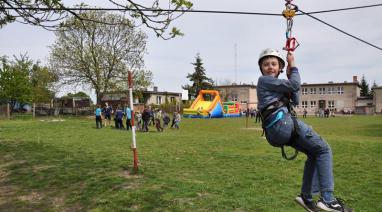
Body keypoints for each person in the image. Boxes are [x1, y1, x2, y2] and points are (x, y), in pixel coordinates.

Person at [256, 48, 352, 212]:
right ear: (262, 69)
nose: (270, 67)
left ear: (279, 67)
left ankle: (306, 197)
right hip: (282, 125)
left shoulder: (278, 86)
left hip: (277, 132)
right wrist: (293, 67)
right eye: (266, 64)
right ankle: (328, 199)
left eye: (274, 64)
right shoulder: (264, 81)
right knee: (324, 149)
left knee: (314, 153)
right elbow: (295, 84)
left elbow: (296, 98)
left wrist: (289, 76)